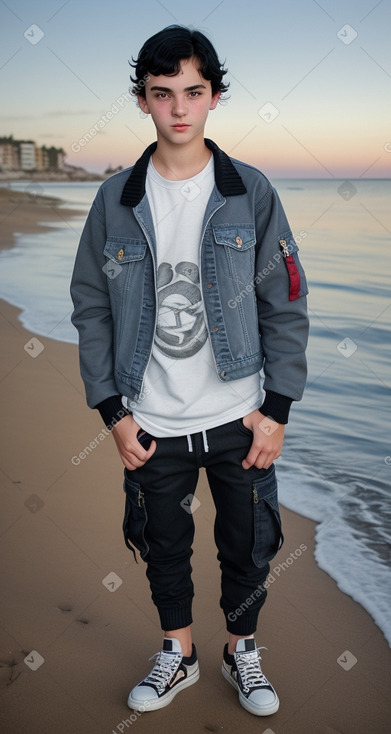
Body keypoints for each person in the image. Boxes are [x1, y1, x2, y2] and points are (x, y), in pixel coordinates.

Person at [70, 25, 309, 718]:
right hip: (150, 418)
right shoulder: (114, 199)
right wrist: (112, 412)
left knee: (251, 545)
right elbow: (90, 307)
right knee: (162, 545)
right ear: (142, 100)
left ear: (214, 97)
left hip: (240, 417)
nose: (179, 109)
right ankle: (177, 652)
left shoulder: (251, 192)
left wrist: (278, 410)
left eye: (193, 92)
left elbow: (285, 302)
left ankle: (241, 650)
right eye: (162, 93)